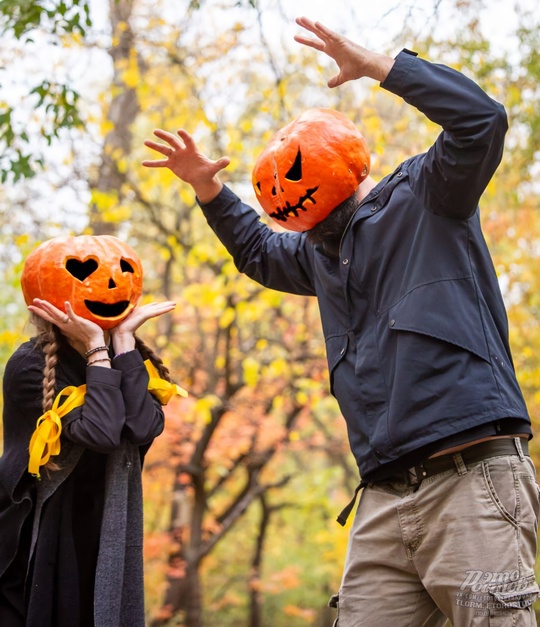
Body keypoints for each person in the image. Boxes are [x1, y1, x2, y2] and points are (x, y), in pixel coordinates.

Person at [142, 16, 539, 626]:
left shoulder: (426, 198)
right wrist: (209, 191)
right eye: (274, 186)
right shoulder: (319, 256)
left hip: (472, 479)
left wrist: (380, 66)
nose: (285, 193)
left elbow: (481, 118)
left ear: (345, 166)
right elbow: (257, 251)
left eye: (295, 176)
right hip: (382, 495)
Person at [0, 235, 184, 627]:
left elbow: (143, 426)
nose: (110, 287)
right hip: (40, 531)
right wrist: (97, 349)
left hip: (105, 524)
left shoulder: (130, 358)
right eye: (83, 274)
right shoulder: (29, 366)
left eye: (123, 274)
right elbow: (99, 432)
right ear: (47, 300)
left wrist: (122, 342)